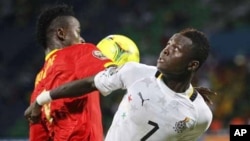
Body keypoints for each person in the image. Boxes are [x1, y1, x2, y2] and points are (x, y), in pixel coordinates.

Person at [25, 28, 215, 141]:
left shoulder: (200, 115)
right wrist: (43, 98)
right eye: (168, 44)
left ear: (192, 65)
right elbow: (90, 83)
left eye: (176, 49)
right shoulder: (136, 73)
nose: (166, 50)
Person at [27, 4, 113, 141]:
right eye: (78, 33)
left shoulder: (39, 82)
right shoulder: (80, 51)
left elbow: (38, 136)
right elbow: (114, 76)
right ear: (61, 33)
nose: (82, 40)